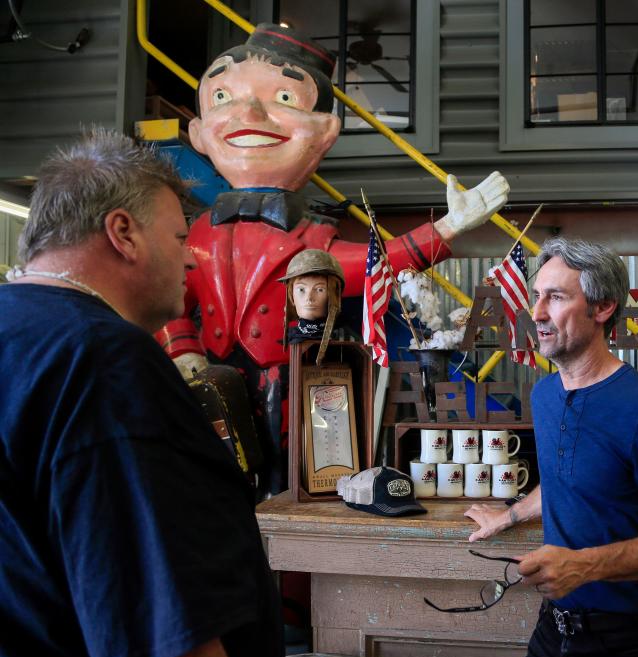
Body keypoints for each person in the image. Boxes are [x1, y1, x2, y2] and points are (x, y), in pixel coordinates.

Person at [156, 23, 510, 495]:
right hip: (210, 383)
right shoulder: (191, 235)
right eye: (223, 97)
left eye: (284, 99)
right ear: (198, 133)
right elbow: (167, 296)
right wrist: (180, 347)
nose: (249, 112)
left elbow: (375, 268)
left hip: (292, 384)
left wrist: (447, 228)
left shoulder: (313, 238)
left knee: (293, 480)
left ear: (324, 132)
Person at [0, 128, 282, 657]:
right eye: (180, 239)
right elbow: (159, 631)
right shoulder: (101, 361)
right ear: (123, 233)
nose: (194, 262)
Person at [465, 237, 638, 657]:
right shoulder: (544, 395)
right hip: (553, 629)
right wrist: (509, 515)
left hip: (632, 641)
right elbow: (567, 476)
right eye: (536, 297)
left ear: (602, 308)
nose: (537, 313)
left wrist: (585, 566)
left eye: (556, 298)